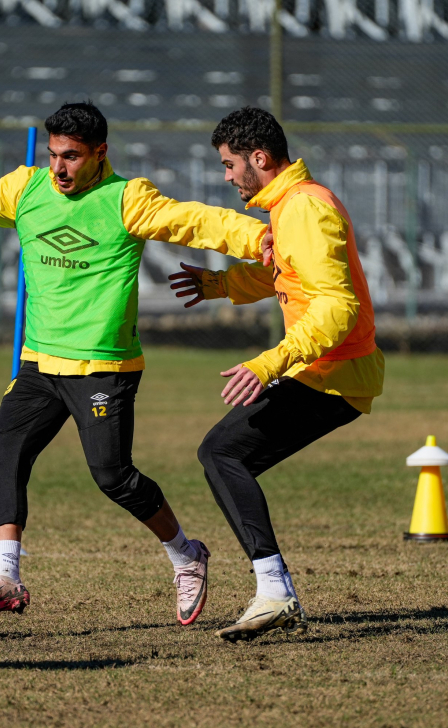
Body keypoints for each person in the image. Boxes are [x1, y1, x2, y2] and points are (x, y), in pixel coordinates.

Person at [0, 102, 268, 627]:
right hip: (40, 363)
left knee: (112, 477)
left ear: (100, 154)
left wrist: (257, 238)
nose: (59, 168)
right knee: (2, 449)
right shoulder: (26, 188)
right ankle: (5, 576)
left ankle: (185, 553)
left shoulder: (126, 198)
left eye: (71, 157)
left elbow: (195, 220)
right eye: (53, 155)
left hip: (103, 367)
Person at [168, 107, 385, 642]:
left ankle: (275, 591)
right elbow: (285, 272)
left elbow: (338, 308)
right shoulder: (292, 206)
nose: (226, 176)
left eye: (228, 164)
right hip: (330, 374)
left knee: (223, 453)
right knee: (226, 456)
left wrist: (268, 363)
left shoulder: (306, 208)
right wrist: (222, 286)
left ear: (258, 159)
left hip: (333, 374)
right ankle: (274, 589)